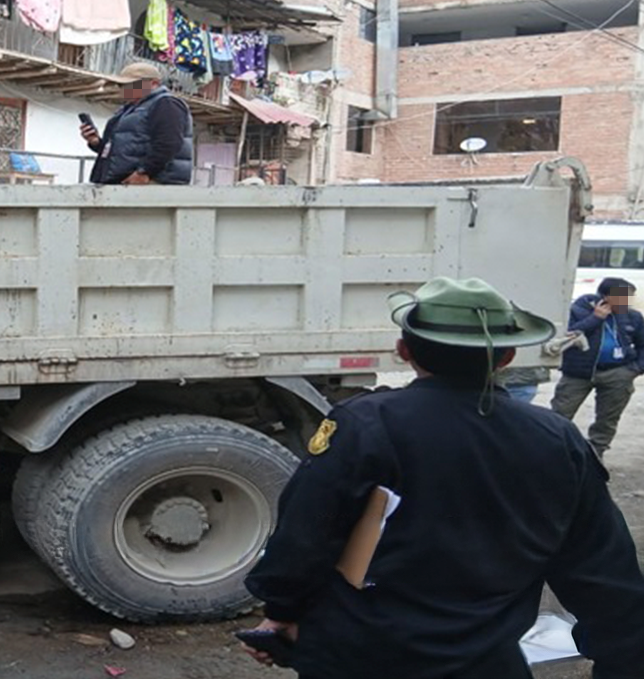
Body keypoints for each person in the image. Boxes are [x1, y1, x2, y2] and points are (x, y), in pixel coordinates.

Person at [243, 277, 644, 679]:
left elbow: (307, 532)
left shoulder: (367, 424)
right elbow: (601, 569)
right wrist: (623, 659)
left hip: (362, 658)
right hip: (485, 663)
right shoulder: (556, 439)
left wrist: (281, 612)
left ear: (404, 351)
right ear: (504, 357)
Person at [551, 276, 644, 457]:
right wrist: (595, 319)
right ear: (605, 296)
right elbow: (567, 336)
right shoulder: (578, 310)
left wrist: (636, 369)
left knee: (607, 419)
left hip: (618, 373)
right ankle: (554, 451)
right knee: (559, 414)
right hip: (578, 373)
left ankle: (596, 453)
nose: (627, 301)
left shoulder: (632, 316)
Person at [80, 62, 193, 185]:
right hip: (127, 181)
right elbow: (122, 151)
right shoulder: (127, 110)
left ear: (154, 83)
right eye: (121, 85)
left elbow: (169, 142)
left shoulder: (166, 103)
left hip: (152, 183)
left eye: (131, 84)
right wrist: (96, 142)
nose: (125, 89)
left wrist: (144, 172)